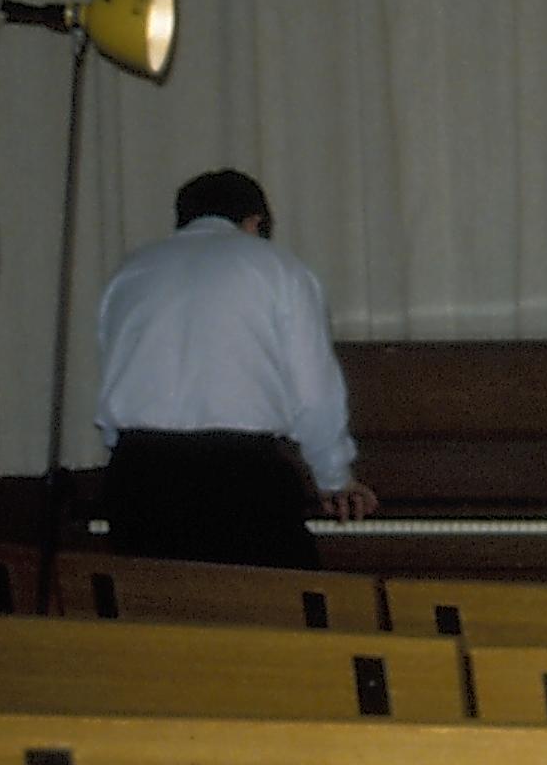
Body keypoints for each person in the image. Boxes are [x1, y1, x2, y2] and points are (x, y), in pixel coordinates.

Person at [94, 168, 374, 568]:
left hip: (138, 474)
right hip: (236, 476)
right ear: (256, 222)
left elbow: (114, 373)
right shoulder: (278, 268)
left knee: (160, 619)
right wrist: (334, 477)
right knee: (288, 611)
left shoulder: (131, 271)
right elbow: (313, 390)